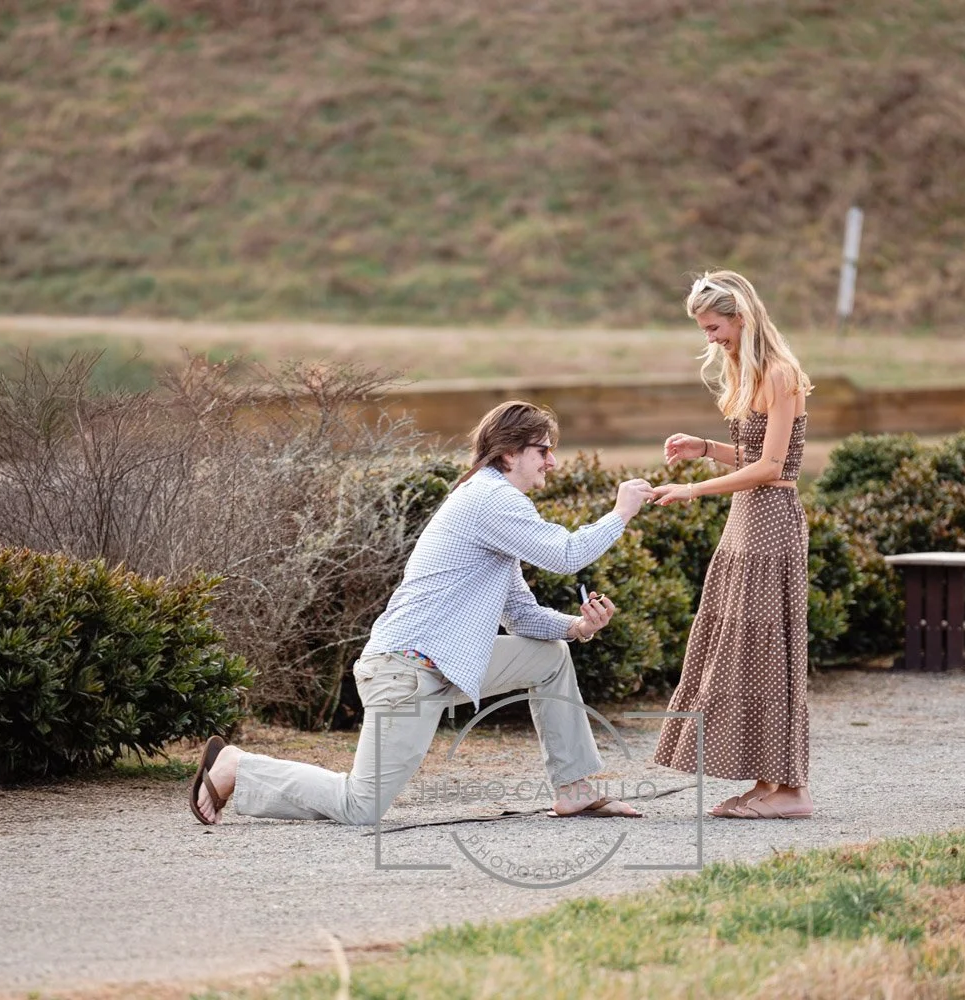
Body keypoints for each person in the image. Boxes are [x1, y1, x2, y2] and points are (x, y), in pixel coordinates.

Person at [190, 400, 656, 826]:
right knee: (361, 806)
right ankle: (237, 766)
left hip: (443, 665)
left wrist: (576, 626)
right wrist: (620, 513)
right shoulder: (490, 498)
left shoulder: (493, 505)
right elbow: (567, 554)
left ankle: (573, 789)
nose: (552, 462)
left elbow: (521, 616)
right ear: (509, 454)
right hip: (404, 670)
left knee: (551, 656)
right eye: (544, 450)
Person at [650, 270, 815, 820]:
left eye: (714, 327)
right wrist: (702, 447)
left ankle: (790, 791)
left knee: (769, 651)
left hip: (771, 526)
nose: (710, 338)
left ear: (741, 317)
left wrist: (693, 488)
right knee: (746, 651)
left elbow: (772, 468)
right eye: (704, 329)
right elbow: (752, 457)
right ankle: (769, 784)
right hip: (746, 525)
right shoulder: (752, 373)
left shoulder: (781, 375)